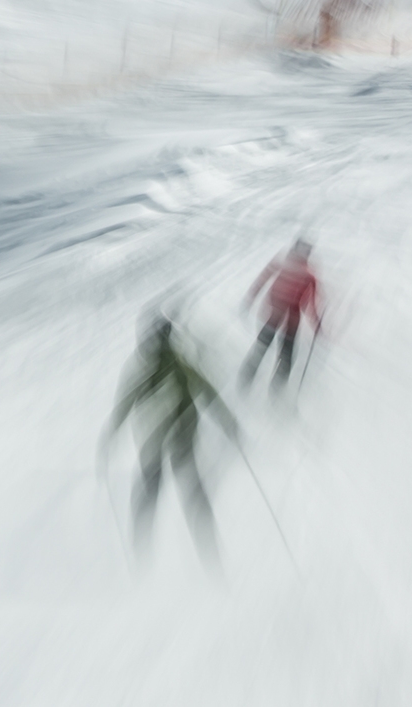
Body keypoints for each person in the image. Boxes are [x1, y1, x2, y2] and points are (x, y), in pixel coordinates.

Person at [105, 313, 241, 560]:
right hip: (183, 437)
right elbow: (207, 392)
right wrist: (228, 423)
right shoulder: (181, 364)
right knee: (194, 492)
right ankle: (209, 551)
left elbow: (127, 401)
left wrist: (112, 433)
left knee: (149, 492)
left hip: (155, 440)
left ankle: (141, 549)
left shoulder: (146, 367)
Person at [239, 240, 323, 390]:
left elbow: (262, 280)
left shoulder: (288, 266)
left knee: (264, 347)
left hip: (278, 316)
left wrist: (250, 299)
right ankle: (274, 389)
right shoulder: (307, 274)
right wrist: (316, 324)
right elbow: (311, 305)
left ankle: (248, 379)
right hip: (288, 319)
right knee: (284, 355)